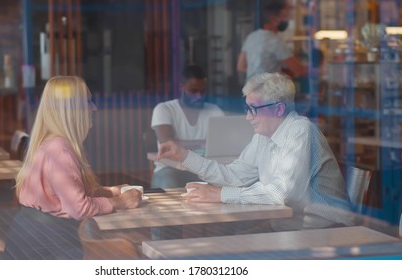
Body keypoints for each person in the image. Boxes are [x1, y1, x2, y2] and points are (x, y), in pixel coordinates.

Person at [157, 72, 354, 232]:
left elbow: (281, 194)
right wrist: (184, 156)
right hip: (287, 228)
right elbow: (235, 176)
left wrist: (222, 194)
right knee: (228, 243)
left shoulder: (301, 131)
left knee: (230, 248)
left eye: (254, 109)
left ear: (278, 109)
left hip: (327, 232)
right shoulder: (264, 136)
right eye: (247, 109)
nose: (248, 117)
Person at [4, 76, 142, 259]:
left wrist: (109, 192)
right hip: (47, 248)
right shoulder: (61, 151)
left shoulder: (49, 143)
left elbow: (63, 196)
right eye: (88, 102)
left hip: (30, 239)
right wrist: (122, 202)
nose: (94, 107)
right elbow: (79, 208)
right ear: (70, 110)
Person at [151, 64, 224, 188]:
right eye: (193, 91)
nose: (199, 96)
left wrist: (184, 144)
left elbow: (223, 144)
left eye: (202, 92)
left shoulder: (214, 110)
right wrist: (203, 143)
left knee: (227, 183)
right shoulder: (164, 109)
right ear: (182, 88)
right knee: (168, 183)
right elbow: (169, 145)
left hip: (204, 169)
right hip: (171, 169)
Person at [236, 0, 306, 82]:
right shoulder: (275, 41)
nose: (286, 20)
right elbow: (298, 70)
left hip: (251, 91)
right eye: (284, 16)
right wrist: (317, 69)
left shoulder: (252, 37)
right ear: (274, 19)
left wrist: (260, 72)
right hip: (268, 92)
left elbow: (241, 66)